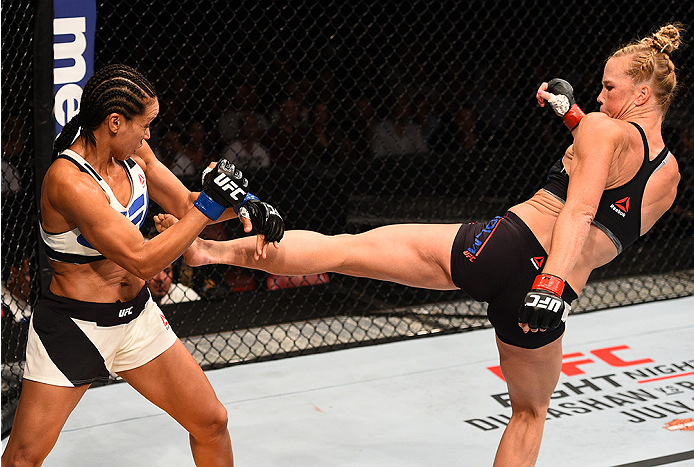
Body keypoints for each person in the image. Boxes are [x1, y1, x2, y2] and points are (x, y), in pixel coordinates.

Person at [155, 25, 683, 466]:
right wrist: (553, 288)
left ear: (639, 94)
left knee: (347, 250)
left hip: (504, 250)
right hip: (544, 299)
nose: (598, 97)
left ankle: (208, 253)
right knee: (528, 415)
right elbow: (609, 204)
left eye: (609, 88)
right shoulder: (670, 175)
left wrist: (548, 277)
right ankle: (209, 255)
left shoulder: (600, 131)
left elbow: (580, 207)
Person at [1, 64, 284, 467]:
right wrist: (210, 204)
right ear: (115, 122)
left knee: (212, 421)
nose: (149, 134)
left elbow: (186, 205)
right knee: (22, 459)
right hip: (76, 329)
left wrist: (243, 203)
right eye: (145, 124)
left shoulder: (135, 153)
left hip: (136, 320)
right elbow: (142, 257)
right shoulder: (68, 181)